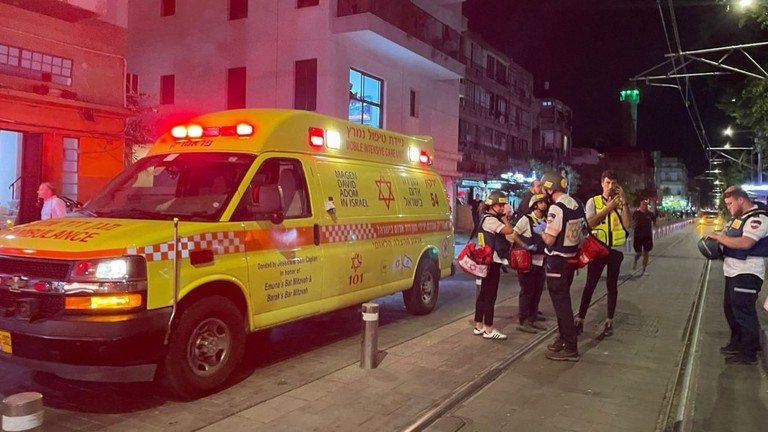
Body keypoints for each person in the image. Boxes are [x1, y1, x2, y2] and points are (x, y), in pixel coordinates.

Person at [705, 186, 768, 365]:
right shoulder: (739, 219)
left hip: (747, 273)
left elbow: (746, 242)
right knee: (731, 310)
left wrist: (719, 238)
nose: (729, 207)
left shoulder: (757, 218)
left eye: (731, 203)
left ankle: (749, 352)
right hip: (733, 272)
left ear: (741, 200)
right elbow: (731, 237)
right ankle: (737, 342)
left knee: (743, 312)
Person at [575, 170, 630, 339]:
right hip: (598, 249)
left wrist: (625, 203)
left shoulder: (621, 203)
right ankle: (580, 319)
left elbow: (627, 225)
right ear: (601, 183)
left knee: (612, 287)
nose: (610, 186)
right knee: (590, 284)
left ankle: (609, 321)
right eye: (607, 183)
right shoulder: (593, 201)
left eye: (614, 183)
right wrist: (607, 209)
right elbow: (590, 223)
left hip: (614, 251)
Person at [540, 172, 585, 361]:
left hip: (557, 261)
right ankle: (563, 338)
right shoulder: (576, 205)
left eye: (544, 188)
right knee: (563, 301)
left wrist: (540, 231)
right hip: (571, 260)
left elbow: (550, 239)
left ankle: (571, 347)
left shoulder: (556, 209)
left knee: (562, 305)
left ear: (550, 189)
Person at [472, 190, 515, 340]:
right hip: (493, 260)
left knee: (483, 293)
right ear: (493, 205)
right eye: (501, 205)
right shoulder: (491, 220)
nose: (503, 208)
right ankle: (489, 329)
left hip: (486, 260)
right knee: (490, 295)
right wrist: (505, 219)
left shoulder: (484, 217)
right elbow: (509, 231)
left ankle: (478, 325)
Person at [510, 193, 549, 333]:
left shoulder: (545, 219)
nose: (544, 204)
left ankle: (533, 318)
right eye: (541, 202)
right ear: (535, 204)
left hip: (540, 261)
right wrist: (524, 245)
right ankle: (523, 320)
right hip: (528, 262)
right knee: (527, 291)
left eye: (545, 202)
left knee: (537, 290)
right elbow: (513, 234)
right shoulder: (526, 219)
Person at [632, 200, 657, 274]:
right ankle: (635, 260)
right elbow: (633, 222)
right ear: (640, 205)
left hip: (647, 235)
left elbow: (654, 222)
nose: (644, 206)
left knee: (646, 253)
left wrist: (656, 226)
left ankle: (644, 269)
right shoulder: (636, 213)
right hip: (638, 235)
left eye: (645, 205)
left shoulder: (650, 214)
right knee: (639, 253)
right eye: (643, 204)